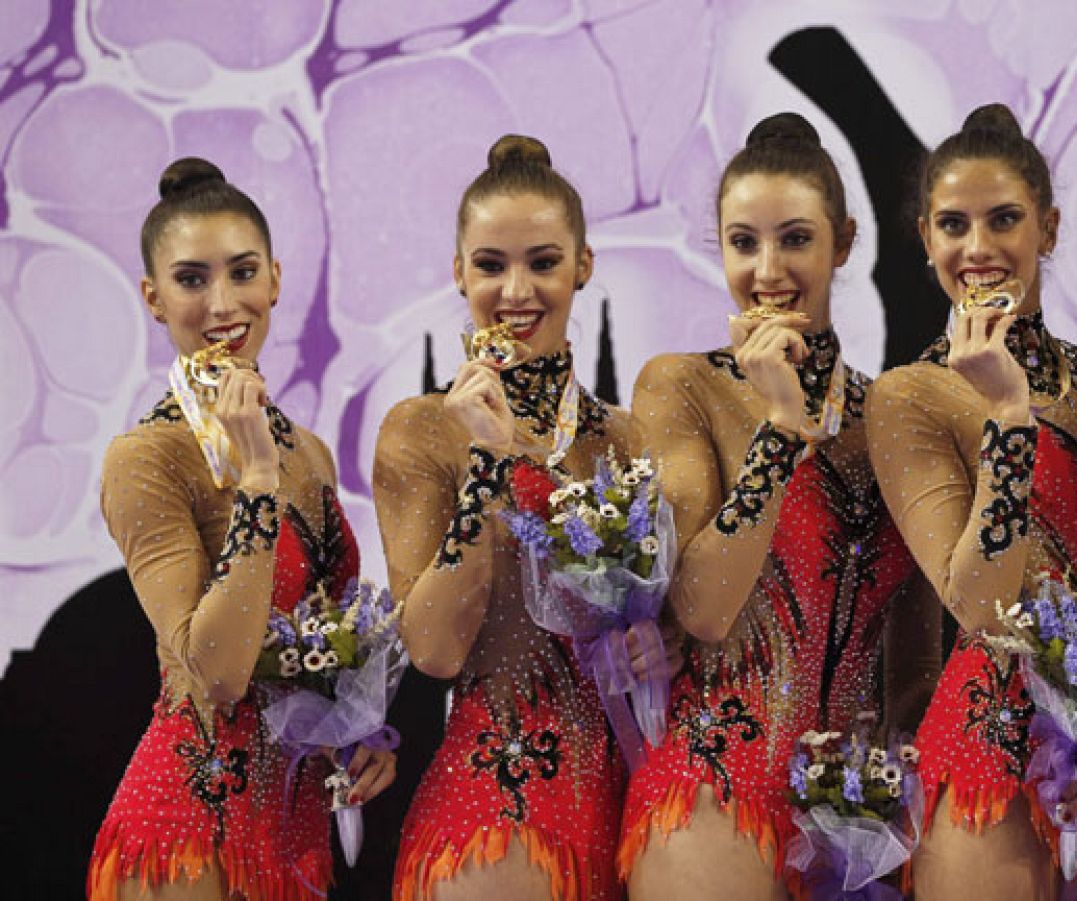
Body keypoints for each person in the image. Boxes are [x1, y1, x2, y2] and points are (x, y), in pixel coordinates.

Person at [866, 103, 1077, 901]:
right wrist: (1008, 415)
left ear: (1049, 226)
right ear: (926, 238)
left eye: (1003, 219)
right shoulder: (910, 395)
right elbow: (979, 602)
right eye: (953, 224)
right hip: (990, 757)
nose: (977, 247)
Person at [620, 112, 934, 900]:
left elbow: (915, 652)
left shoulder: (892, 415)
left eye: (795, 239)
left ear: (844, 242)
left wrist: (895, 795)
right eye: (743, 242)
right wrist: (779, 429)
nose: (767, 270)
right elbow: (699, 608)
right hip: (715, 786)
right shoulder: (682, 385)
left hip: (854, 810)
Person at [88, 158, 396, 900]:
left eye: (243, 272)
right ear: (153, 297)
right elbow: (219, 673)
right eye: (191, 279)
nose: (222, 303)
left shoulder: (308, 451)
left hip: (294, 827)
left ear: (276, 280)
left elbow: (322, 637)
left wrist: (357, 732)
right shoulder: (147, 457)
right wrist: (255, 482)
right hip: (190, 827)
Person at [375, 134, 659, 901]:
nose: (516, 290)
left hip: (627, 806)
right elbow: (432, 648)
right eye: (491, 265)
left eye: (542, 262)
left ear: (584, 265)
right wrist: (489, 465)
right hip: (497, 809)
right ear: (458, 272)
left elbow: (659, 627)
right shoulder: (422, 429)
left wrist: (653, 647)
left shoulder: (626, 437)